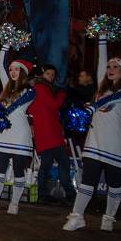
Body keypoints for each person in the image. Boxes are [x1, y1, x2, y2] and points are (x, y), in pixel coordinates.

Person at [63, 34, 121, 232]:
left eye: (116, 67)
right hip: (94, 142)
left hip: (115, 145)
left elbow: (107, 102)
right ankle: (77, 216)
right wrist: (102, 37)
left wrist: (92, 107)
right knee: (87, 180)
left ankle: (109, 217)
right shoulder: (101, 89)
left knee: (115, 185)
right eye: (109, 67)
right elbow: (100, 64)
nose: (110, 70)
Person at [0, 47, 35, 215]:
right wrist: (5, 45)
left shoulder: (30, 91)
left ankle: (14, 204)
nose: (12, 72)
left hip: (20, 135)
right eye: (11, 69)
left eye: (16, 69)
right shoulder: (6, 87)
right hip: (3, 134)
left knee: (19, 171)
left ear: (24, 72)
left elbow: (14, 108)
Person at [29, 64, 73, 205]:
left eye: (53, 75)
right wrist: (62, 94)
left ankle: (45, 194)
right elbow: (53, 105)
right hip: (49, 133)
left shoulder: (40, 88)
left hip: (48, 132)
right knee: (61, 163)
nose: (51, 77)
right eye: (48, 74)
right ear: (42, 75)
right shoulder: (41, 88)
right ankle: (69, 194)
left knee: (47, 165)